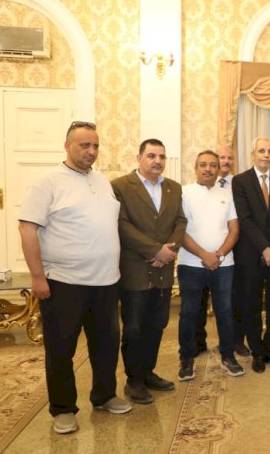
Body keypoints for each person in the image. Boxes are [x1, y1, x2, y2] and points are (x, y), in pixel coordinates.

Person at [18, 121, 131, 435]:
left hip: (106, 282)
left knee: (106, 345)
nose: (91, 151)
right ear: (67, 146)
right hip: (64, 283)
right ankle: (63, 408)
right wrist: (38, 277)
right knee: (61, 349)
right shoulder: (48, 182)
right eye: (84, 145)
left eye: (95, 145)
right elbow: (27, 229)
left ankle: (105, 395)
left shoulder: (102, 181)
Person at [112, 139, 187, 405]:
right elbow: (121, 225)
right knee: (134, 327)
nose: (157, 161)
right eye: (151, 155)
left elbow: (180, 221)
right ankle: (134, 381)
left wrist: (168, 250)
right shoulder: (120, 186)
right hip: (135, 270)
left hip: (163, 270)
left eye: (161, 156)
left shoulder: (173, 187)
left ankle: (147, 373)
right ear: (139, 158)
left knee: (157, 324)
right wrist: (155, 250)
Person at [177, 150, 243, 381]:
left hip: (224, 264)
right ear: (195, 167)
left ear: (218, 169)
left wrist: (219, 254)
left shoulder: (227, 193)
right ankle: (186, 358)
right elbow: (179, 230)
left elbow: (234, 229)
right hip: (190, 263)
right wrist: (204, 255)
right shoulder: (183, 193)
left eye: (213, 165)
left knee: (225, 311)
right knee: (189, 312)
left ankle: (228, 356)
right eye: (203, 165)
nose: (208, 169)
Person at [232, 137, 270, 373]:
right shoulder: (240, 181)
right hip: (251, 255)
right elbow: (245, 219)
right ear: (253, 154)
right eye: (261, 151)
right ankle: (257, 352)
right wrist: (265, 248)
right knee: (252, 304)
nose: (266, 155)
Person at [194, 145, 250, 356]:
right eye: (222, 157)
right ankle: (198, 341)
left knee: (233, 301)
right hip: (200, 255)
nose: (226, 161)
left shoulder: (240, 183)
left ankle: (236, 341)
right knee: (199, 301)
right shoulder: (200, 185)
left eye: (229, 158)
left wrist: (222, 252)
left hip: (233, 252)